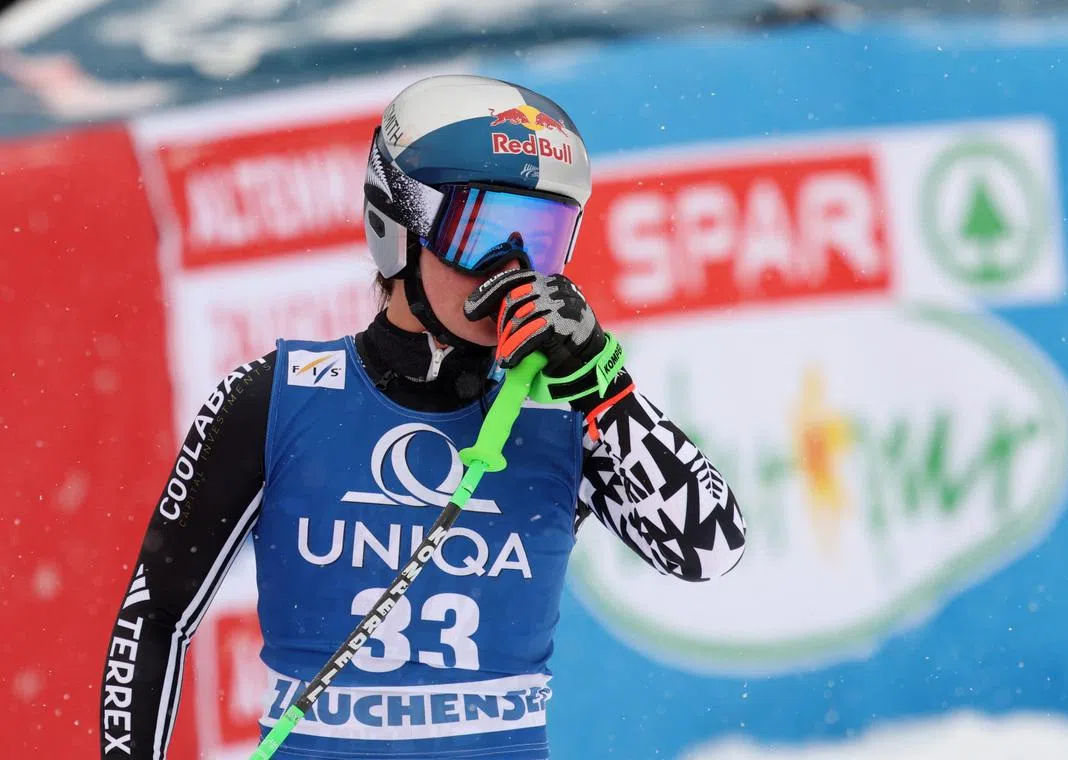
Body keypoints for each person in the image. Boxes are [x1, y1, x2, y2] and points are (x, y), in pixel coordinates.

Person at [99, 74, 746, 760]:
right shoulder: (277, 397)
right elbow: (156, 617)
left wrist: (607, 390)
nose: (515, 272)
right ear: (398, 226)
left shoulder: (559, 420)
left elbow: (710, 550)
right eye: (487, 233)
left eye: (544, 238)